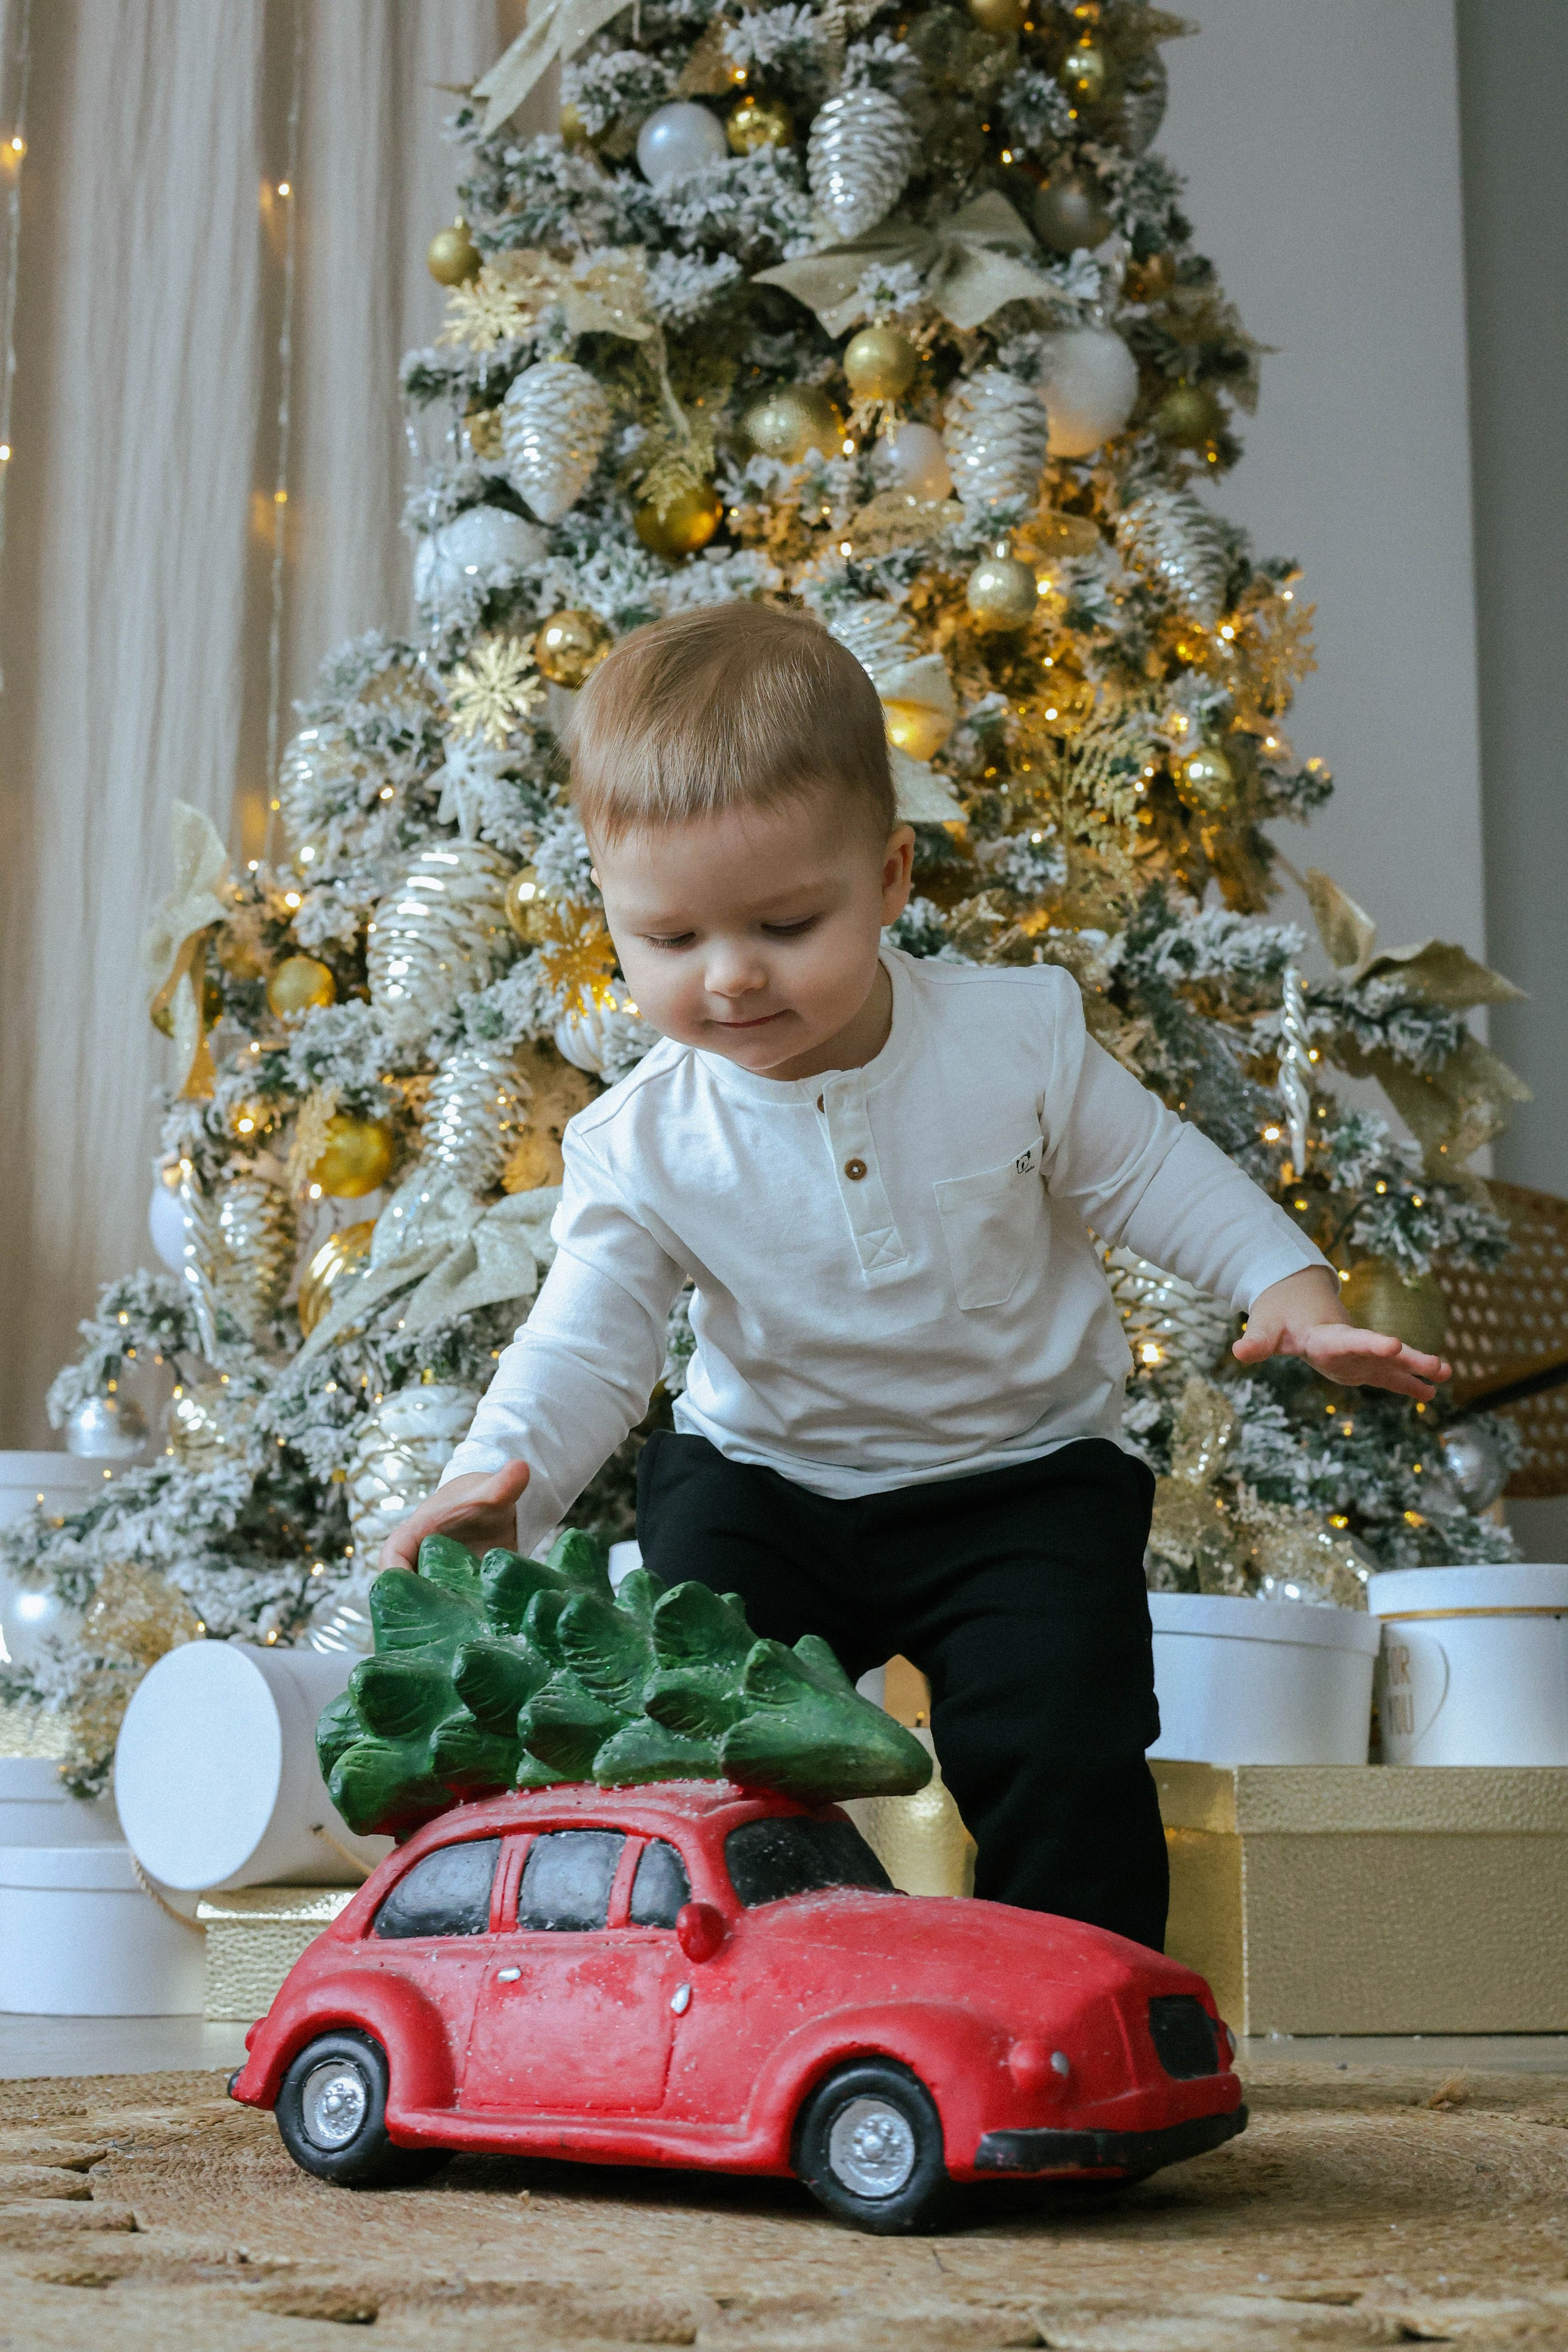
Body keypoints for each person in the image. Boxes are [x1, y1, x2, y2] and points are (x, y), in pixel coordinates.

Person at [379, 603, 1447, 1951]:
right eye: (668, 940)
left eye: (783, 921)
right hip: (765, 1481)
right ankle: (740, 1982)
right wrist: (500, 1480)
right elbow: (587, 1342)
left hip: (1021, 1480)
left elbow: (1151, 1173)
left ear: (887, 879)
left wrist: (1285, 1288)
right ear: (610, 915)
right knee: (699, 1729)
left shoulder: (1014, 1040)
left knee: (1062, 1744)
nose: (730, 978)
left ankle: (1078, 1997)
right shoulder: (640, 1141)